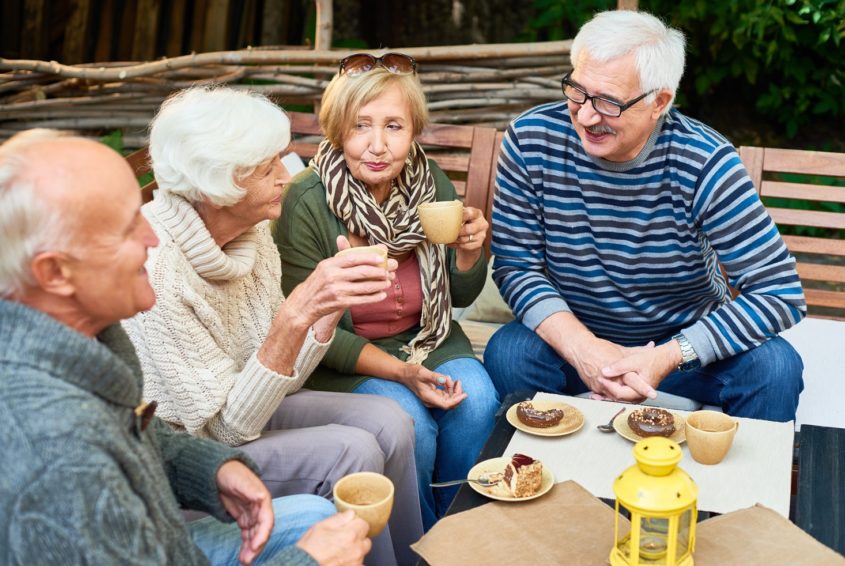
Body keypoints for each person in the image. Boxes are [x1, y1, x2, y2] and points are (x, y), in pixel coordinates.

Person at [0, 129, 372, 565]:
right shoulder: (56, 461)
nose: (152, 238)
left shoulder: (77, 340)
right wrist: (308, 563)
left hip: (163, 535)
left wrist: (208, 468)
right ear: (55, 273)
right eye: (126, 228)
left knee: (314, 513)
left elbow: (130, 426)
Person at [122, 87, 422, 565]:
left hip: (245, 413)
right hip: (190, 457)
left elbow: (283, 380)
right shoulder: (156, 271)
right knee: (353, 449)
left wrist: (326, 307)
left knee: (388, 418)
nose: (287, 177)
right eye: (268, 169)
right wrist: (296, 314)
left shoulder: (251, 233)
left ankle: (408, 557)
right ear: (219, 185)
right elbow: (223, 433)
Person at [485, 10, 806, 422]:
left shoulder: (705, 162)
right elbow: (517, 267)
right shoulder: (531, 140)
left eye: (608, 103)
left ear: (660, 102)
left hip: (684, 350)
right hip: (575, 338)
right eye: (577, 92)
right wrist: (585, 350)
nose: (585, 116)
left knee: (775, 368)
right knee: (508, 352)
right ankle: (540, 477)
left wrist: (670, 356)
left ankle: (741, 489)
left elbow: (778, 292)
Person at [274, 52, 500, 530]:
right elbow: (309, 327)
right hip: (343, 359)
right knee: (407, 419)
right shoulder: (307, 201)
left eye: (394, 126)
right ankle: (414, 537)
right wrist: (402, 373)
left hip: (427, 340)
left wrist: (466, 253)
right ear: (337, 130)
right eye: (361, 126)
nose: (377, 146)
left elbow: (459, 296)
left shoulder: (430, 183)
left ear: (414, 130)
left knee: (478, 399)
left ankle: (457, 531)